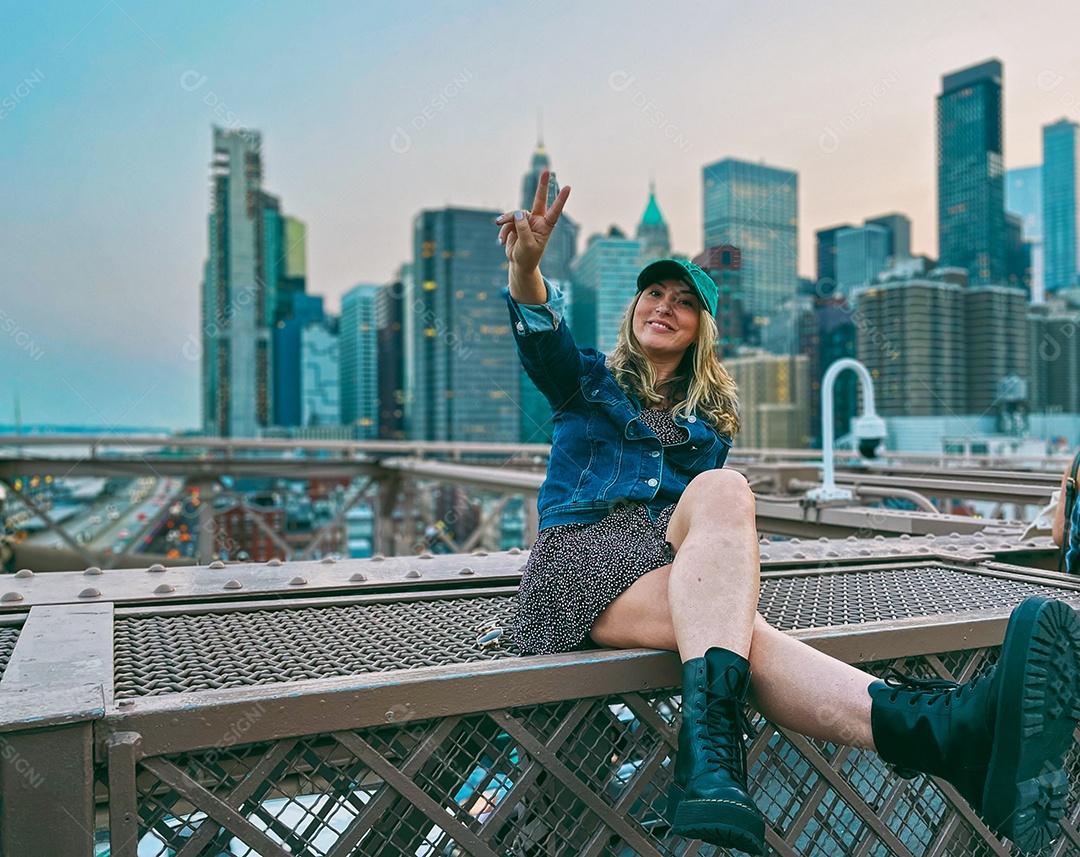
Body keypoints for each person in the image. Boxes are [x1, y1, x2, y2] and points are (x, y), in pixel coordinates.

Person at [496, 170, 1080, 855]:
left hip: (655, 571)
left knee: (727, 511)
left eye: (684, 301)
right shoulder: (587, 382)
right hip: (578, 571)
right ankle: (944, 731)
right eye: (653, 293)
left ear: (701, 330)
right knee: (741, 616)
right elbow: (541, 329)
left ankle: (753, 761)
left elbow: (705, 539)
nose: (664, 306)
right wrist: (527, 264)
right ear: (634, 308)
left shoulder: (707, 432)